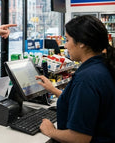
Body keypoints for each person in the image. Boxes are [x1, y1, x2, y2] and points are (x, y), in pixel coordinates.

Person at [36, 15, 115, 143]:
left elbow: (80, 138)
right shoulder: (103, 65)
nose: (65, 46)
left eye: (67, 40)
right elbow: (86, 102)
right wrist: (53, 89)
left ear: (82, 43)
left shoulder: (86, 79)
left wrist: (51, 131)